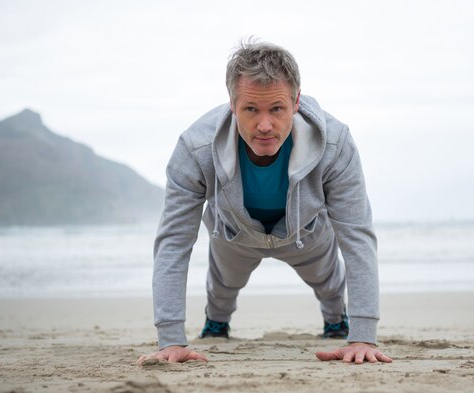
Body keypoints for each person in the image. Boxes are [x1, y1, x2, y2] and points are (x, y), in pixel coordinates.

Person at [139, 40, 392, 365]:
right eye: (251, 109)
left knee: (329, 282)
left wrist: (363, 337)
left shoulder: (335, 143)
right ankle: (217, 324)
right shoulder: (196, 148)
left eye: (276, 109)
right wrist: (170, 338)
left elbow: (357, 235)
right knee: (221, 290)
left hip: (308, 234)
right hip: (233, 237)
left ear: (296, 101)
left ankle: (335, 321)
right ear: (232, 103)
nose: (264, 125)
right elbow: (174, 241)